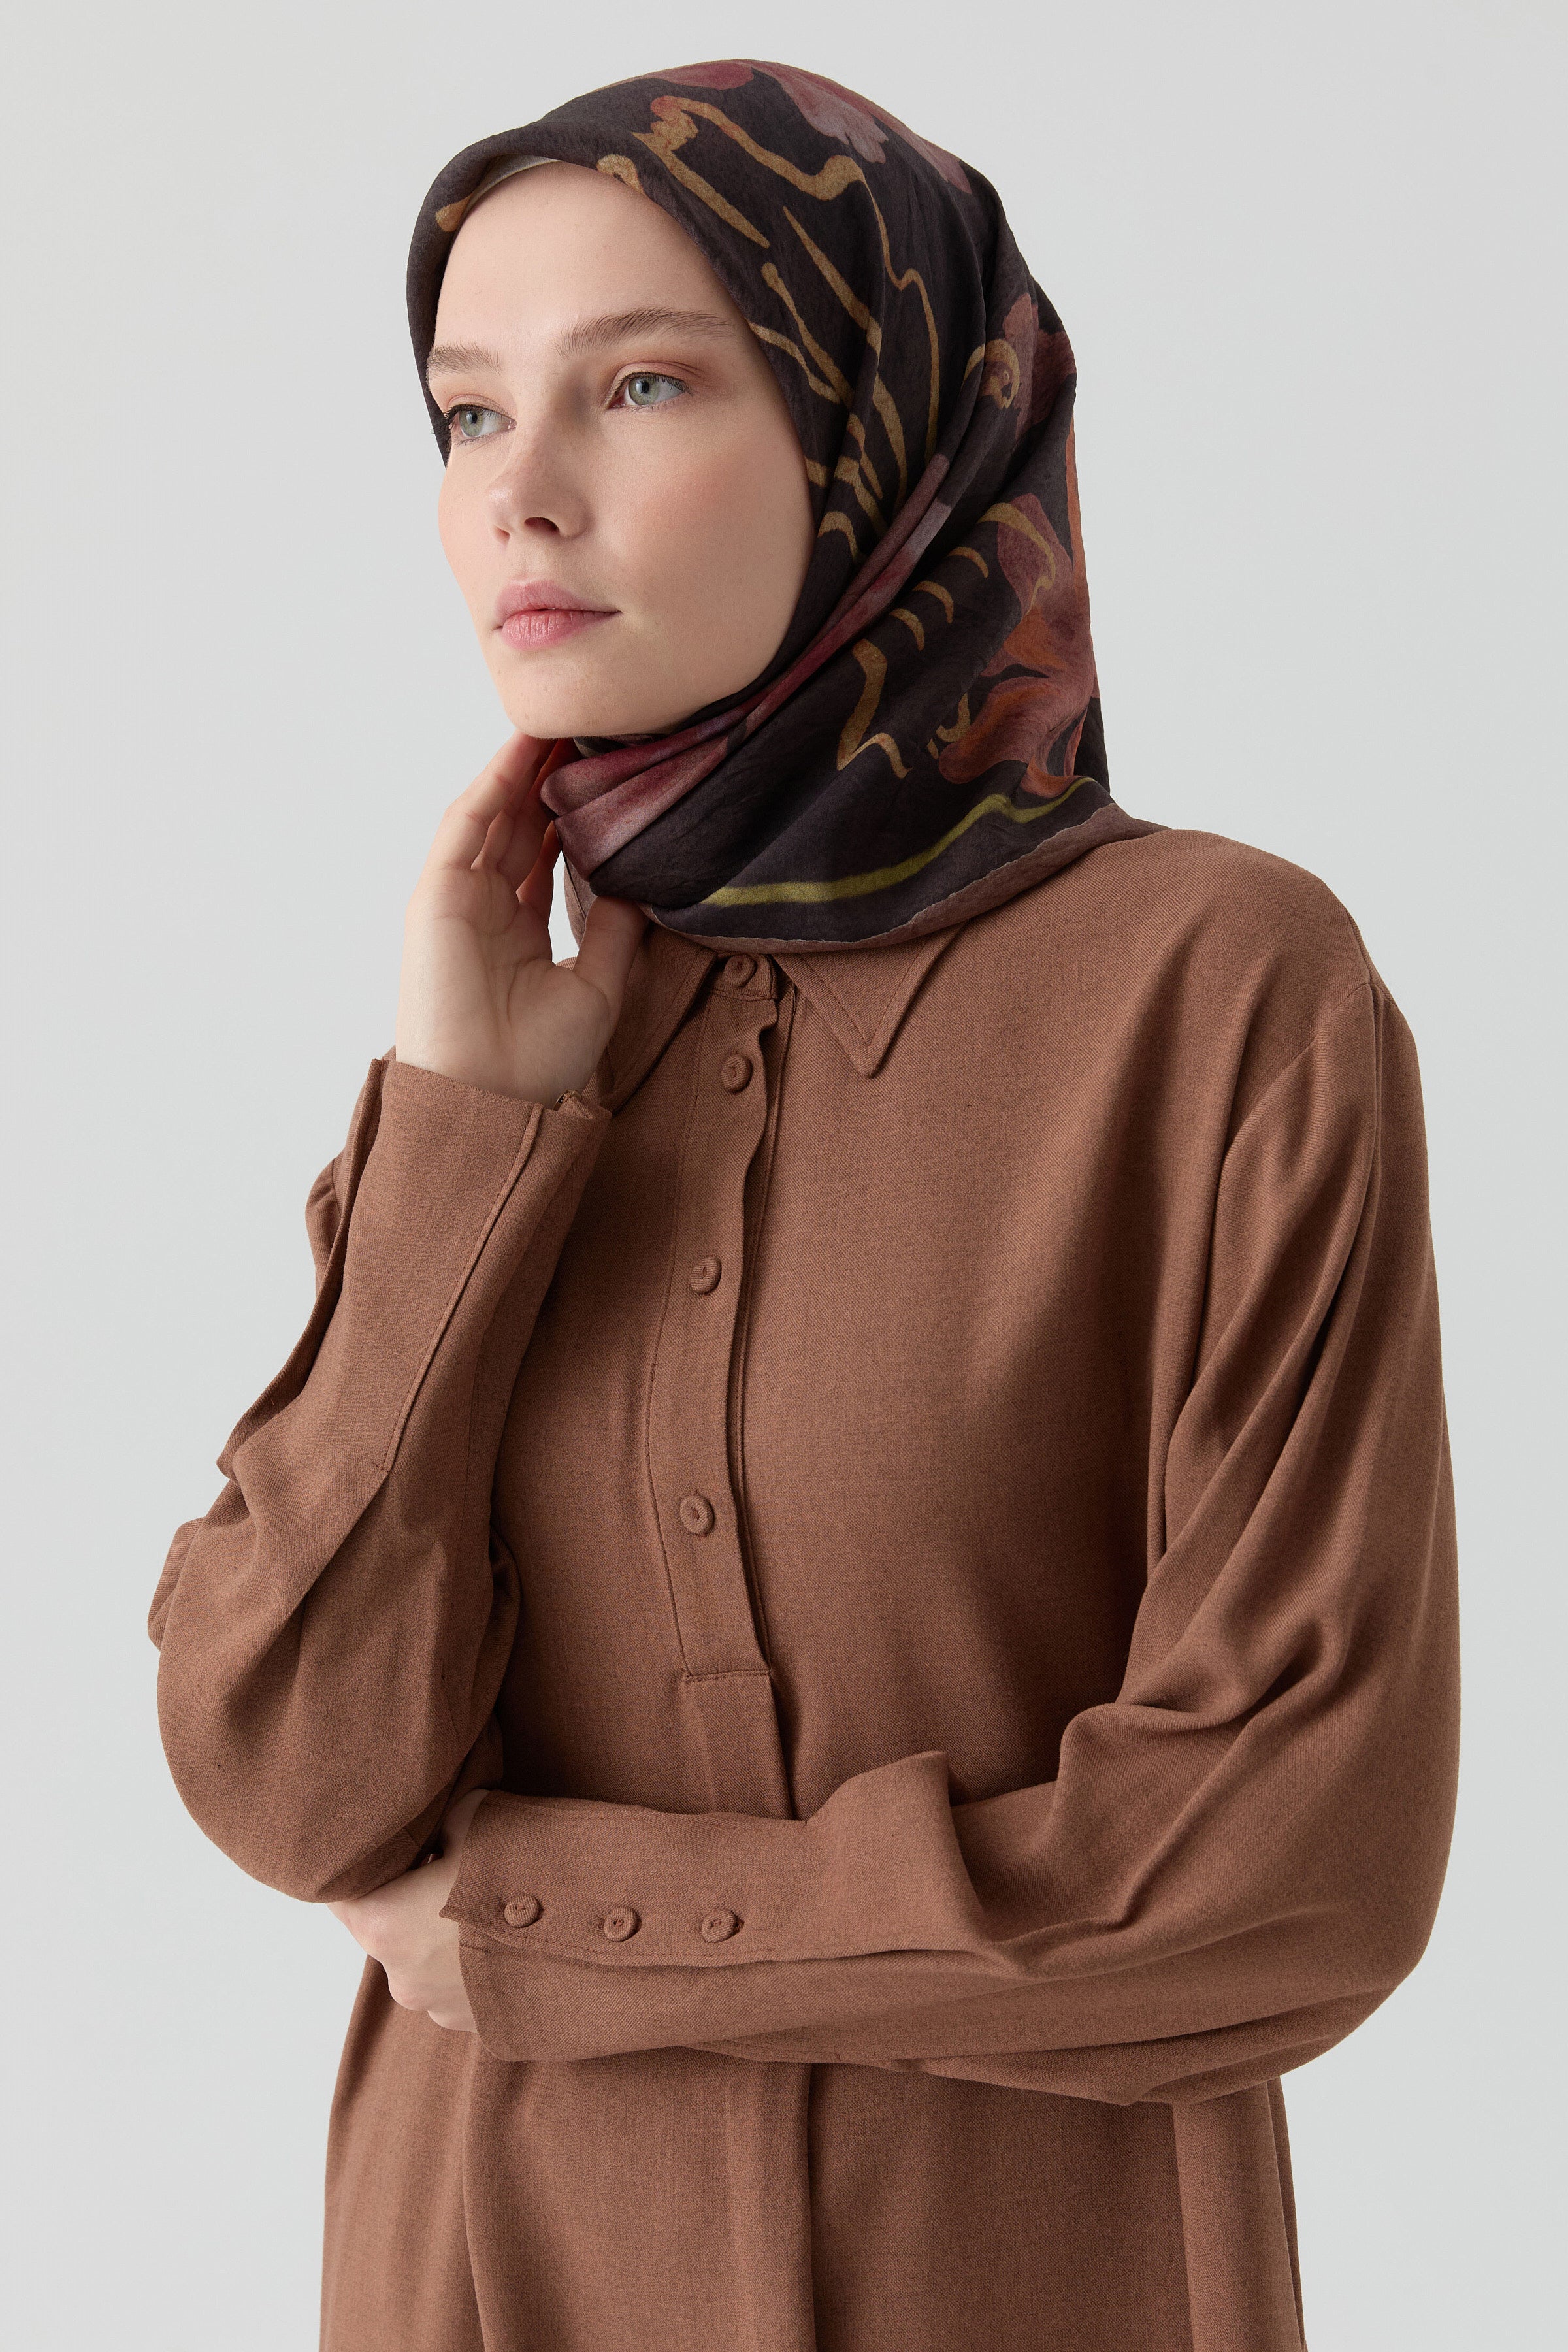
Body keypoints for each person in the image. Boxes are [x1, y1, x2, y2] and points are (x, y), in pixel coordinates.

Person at [149, 60, 1460, 2352]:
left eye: (641, 384)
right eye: (468, 413)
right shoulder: (521, 1032)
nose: (519, 493)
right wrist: (461, 1131)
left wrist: (559, 1926)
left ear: (884, 430)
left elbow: (1292, 1869)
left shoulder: (1215, 994)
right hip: (481, 2277)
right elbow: (284, 1778)